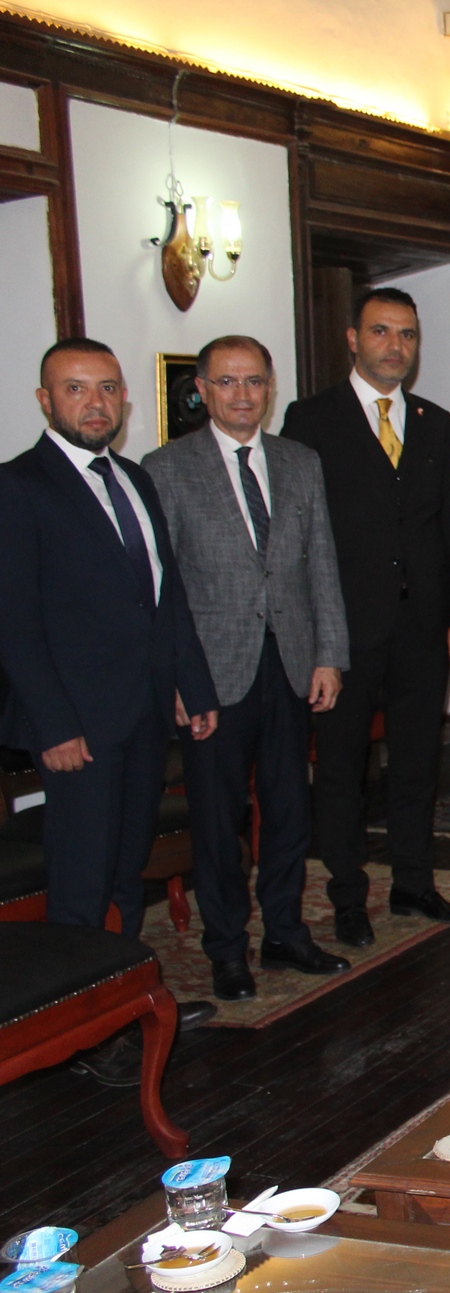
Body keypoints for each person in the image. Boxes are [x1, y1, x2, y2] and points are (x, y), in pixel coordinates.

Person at [0, 338, 222, 1075]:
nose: (94, 404)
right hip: (78, 727)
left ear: (123, 398)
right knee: (82, 881)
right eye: (75, 389)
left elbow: (165, 596)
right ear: (45, 401)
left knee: (128, 873)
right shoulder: (19, 486)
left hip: (144, 713)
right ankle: (77, 1036)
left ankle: (122, 1006)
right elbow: (15, 625)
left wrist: (193, 687)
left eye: (106, 389)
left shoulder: (134, 478)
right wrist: (54, 726)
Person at [142, 335, 355, 1002]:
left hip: (290, 665)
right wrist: (179, 679)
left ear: (270, 387)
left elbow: (322, 563)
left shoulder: (299, 461)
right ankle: (226, 948)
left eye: (255, 381)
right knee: (217, 819)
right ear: (203, 390)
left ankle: (286, 932)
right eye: (228, 382)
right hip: (212, 674)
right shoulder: (167, 468)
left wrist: (329, 655)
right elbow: (163, 588)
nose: (243, 395)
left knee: (290, 809)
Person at [283, 287, 450, 945]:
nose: (396, 346)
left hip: (423, 628)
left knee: (417, 764)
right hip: (344, 632)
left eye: (407, 334)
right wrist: (314, 633)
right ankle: (347, 897)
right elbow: (299, 533)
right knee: (342, 770)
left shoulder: (432, 420)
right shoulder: (311, 418)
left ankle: (414, 884)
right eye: (381, 332)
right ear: (352, 338)